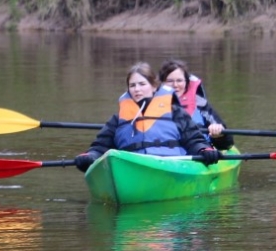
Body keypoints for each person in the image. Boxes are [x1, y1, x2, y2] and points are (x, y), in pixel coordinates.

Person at [74, 62, 220, 171]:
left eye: (142, 84)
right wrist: (91, 156)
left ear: (154, 86)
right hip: (131, 168)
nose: (137, 89)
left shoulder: (175, 112)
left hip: (169, 167)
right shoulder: (118, 118)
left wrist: (204, 150)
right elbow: (101, 146)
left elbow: (194, 140)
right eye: (132, 85)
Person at [158, 58, 234, 152]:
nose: (175, 85)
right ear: (161, 83)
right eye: (170, 81)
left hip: (199, 154)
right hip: (163, 153)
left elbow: (227, 144)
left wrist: (219, 135)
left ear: (186, 82)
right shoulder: (150, 105)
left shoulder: (201, 105)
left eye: (179, 80)